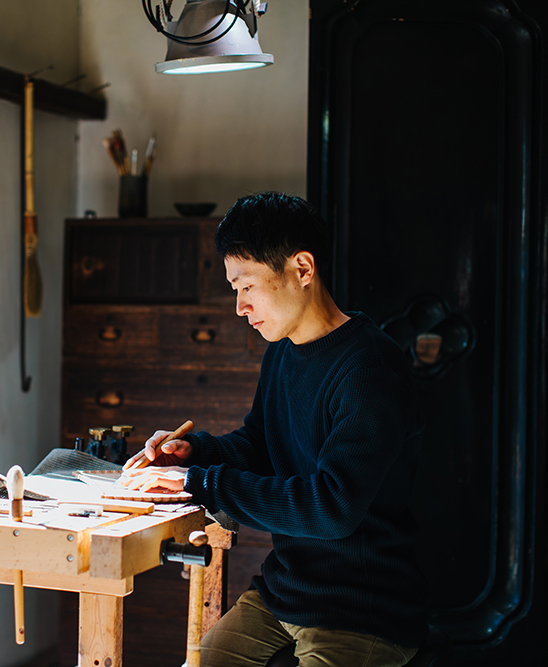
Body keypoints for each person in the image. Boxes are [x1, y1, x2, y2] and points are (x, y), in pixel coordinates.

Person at [121, 192, 428, 667]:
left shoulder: (370, 367)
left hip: (361, 608)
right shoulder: (282, 352)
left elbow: (332, 508)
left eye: (247, 286)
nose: (240, 307)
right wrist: (193, 454)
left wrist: (200, 483)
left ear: (302, 270)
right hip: (285, 591)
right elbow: (259, 446)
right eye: (234, 289)